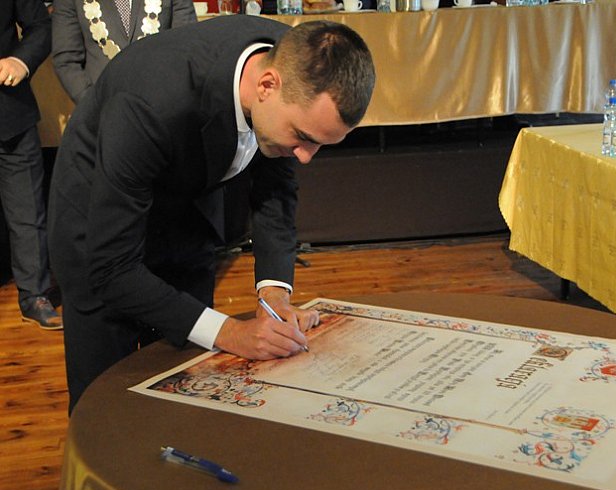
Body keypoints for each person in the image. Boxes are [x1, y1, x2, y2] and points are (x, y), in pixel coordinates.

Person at [48, 16, 375, 412]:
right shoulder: (152, 99)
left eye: (321, 144)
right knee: (106, 405)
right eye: (303, 138)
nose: (306, 157)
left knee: (186, 390)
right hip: (98, 233)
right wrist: (231, 332)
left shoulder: (296, 63)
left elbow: (275, 191)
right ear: (266, 85)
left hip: (186, 217)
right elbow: (113, 268)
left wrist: (274, 295)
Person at [1, 0, 63, 330]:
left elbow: (41, 24)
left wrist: (19, 61)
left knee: (27, 211)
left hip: (10, 111)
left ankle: (34, 295)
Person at [51, 0, 197, 104]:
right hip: (102, 113)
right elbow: (66, 59)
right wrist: (92, 105)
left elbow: (187, 49)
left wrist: (169, 102)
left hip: (163, 110)